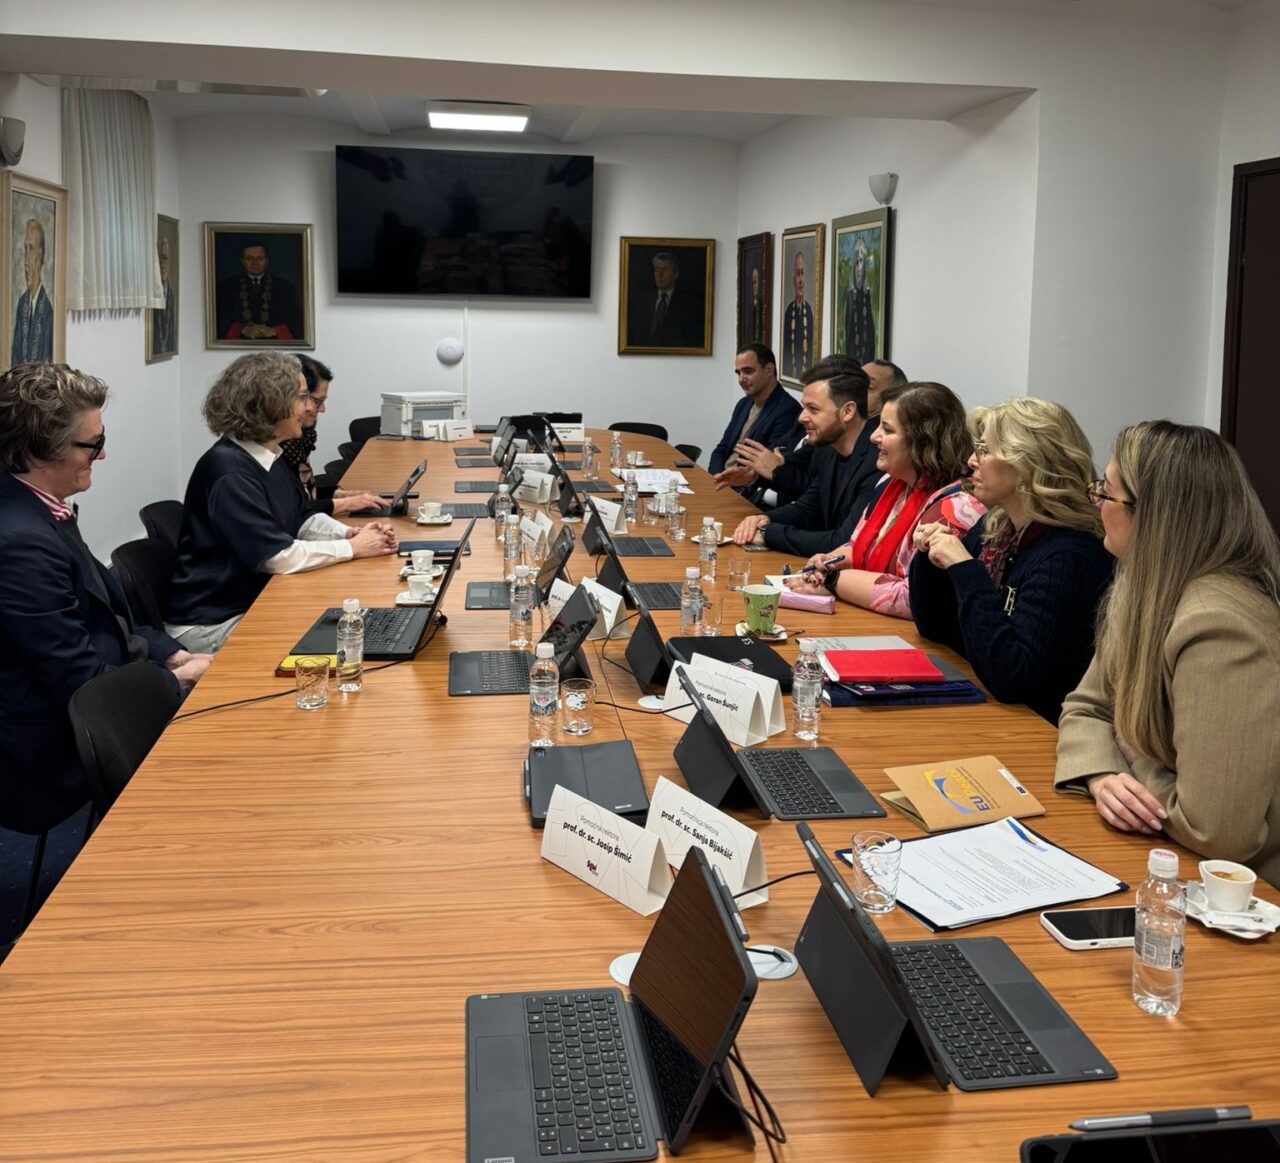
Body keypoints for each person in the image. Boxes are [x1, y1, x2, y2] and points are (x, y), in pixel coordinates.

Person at [1055, 421, 1280, 888]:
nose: (1094, 503)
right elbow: (1085, 708)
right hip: (1168, 863)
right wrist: (1101, 773)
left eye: (1107, 493)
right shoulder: (1145, 586)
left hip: (1241, 903)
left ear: (1156, 516)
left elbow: (1218, 830)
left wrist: (1131, 757)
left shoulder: (1220, 625)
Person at [0, 363, 210, 834]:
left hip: (108, 691)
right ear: (38, 450)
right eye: (92, 445)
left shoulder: (36, 509)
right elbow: (77, 681)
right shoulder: (19, 542)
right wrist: (173, 682)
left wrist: (175, 654)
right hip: (57, 743)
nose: (104, 454)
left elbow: (113, 620)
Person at [165, 352, 398, 653]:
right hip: (214, 623)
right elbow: (277, 557)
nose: (308, 408)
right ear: (270, 404)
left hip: (248, 600)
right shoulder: (229, 472)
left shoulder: (269, 455)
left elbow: (300, 517)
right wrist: (353, 549)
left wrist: (348, 534)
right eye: (302, 397)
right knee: (342, 641)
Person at [908, 398, 1114, 723]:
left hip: (1040, 731)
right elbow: (937, 627)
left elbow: (1014, 678)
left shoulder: (1071, 557)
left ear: (1026, 464)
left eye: (984, 451)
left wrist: (965, 569)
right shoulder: (998, 527)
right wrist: (929, 560)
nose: (970, 461)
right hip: (992, 710)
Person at [786, 381, 984, 617]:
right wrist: (831, 561)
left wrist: (834, 580)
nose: (873, 436)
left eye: (887, 430)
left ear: (923, 441)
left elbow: (914, 598)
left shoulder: (958, 507)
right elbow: (859, 546)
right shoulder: (890, 483)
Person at [730, 356, 883, 558]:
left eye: (813, 409)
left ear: (847, 411)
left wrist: (770, 534)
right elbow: (807, 508)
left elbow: (843, 542)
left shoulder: (878, 462)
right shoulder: (828, 447)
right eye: (804, 407)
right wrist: (762, 519)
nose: (801, 417)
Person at [720, 358, 909, 505]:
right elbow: (809, 498)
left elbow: (842, 535)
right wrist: (756, 474)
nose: (802, 417)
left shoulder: (876, 456)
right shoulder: (831, 440)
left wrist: (776, 471)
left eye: (867, 387)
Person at [278, 354, 382, 517]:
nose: (322, 409)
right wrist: (342, 504)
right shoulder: (276, 446)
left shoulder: (299, 440)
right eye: (317, 401)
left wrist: (336, 494)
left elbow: (299, 494)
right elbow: (289, 510)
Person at [707, 344, 802, 480]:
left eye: (748, 371)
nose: (741, 379)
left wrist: (730, 482)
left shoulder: (788, 410)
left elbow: (768, 465)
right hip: (722, 481)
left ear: (769, 370)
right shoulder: (743, 404)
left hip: (745, 487)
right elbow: (722, 448)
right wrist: (716, 476)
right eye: (738, 373)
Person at [215, 240, 303, 341]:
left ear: (267, 261)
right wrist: (241, 329)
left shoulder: (285, 288)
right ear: (243, 261)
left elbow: (296, 325)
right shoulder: (226, 287)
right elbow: (218, 323)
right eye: (250, 258)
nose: (255, 263)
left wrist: (274, 330)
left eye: (260, 258)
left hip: (273, 346)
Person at [630, 250, 703, 348]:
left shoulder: (689, 304)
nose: (659, 275)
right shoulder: (642, 301)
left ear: (676, 274)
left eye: (665, 270)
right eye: (657, 269)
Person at [12, 218, 55, 365]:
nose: (25, 261)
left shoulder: (49, 312)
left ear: (40, 255)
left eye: (31, 249)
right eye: (25, 249)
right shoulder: (21, 304)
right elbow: (14, 360)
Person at [781, 250, 814, 381]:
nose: (801, 280)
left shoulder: (809, 312)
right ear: (794, 279)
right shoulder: (789, 312)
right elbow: (785, 351)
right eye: (798, 274)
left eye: (803, 273)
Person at [842, 239, 876, 365]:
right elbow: (849, 334)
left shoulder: (868, 296)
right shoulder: (850, 297)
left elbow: (871, 335)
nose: (859, 268)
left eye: (861, 262)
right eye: (856, 263)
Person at [151, 235, 175, 358]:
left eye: (165, 259)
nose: (162, 265)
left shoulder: (171, 295)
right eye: (159, 261)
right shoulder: (151, 295)